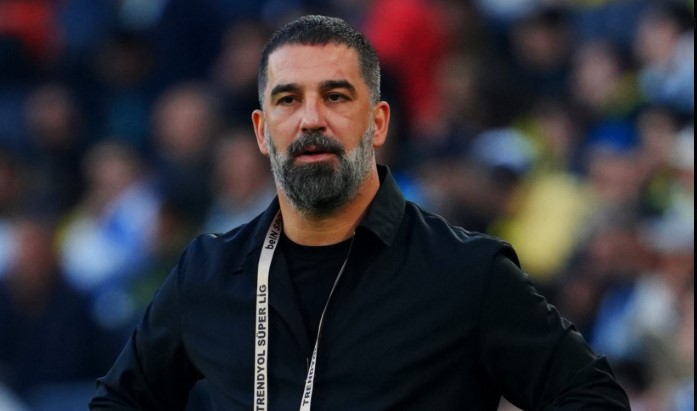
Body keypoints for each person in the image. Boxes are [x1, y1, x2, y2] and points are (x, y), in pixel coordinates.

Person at [89, 15, 630, 410]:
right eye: (288, 100)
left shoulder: (466, 273)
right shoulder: (208, 273)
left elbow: (592, 398)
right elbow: (118, 402)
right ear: (261, 131)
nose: (311, 119)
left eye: (336, 96)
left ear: (378, 123)